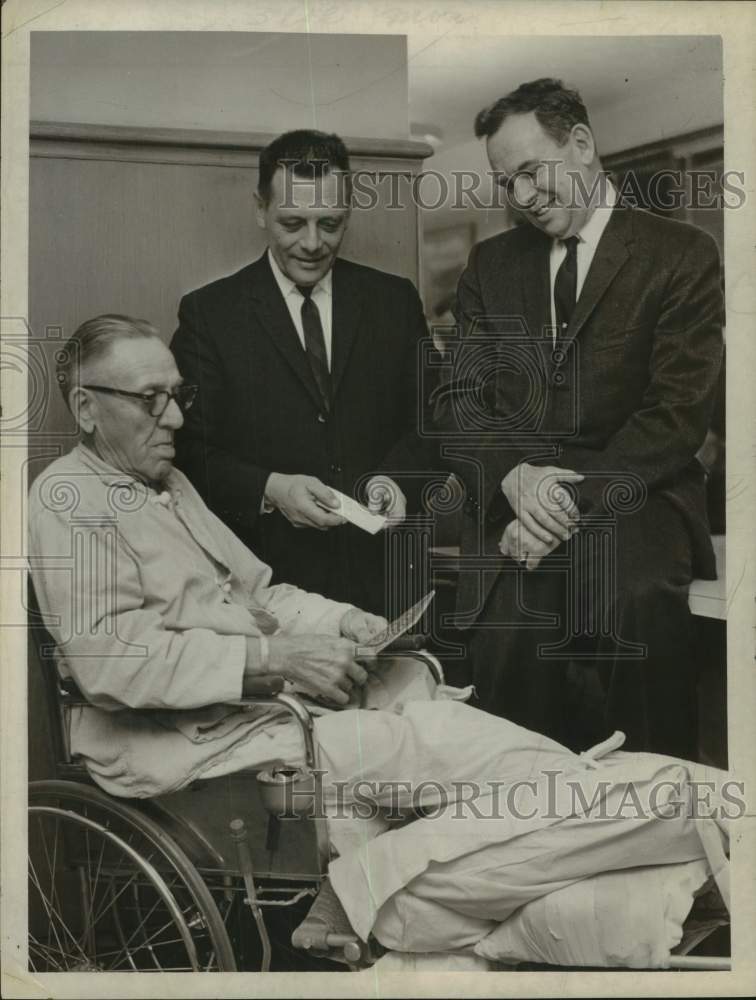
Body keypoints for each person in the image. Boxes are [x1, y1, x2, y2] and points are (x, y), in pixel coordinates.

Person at [29, 315, 728, 962]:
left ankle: (388, 887)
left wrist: (341, 623)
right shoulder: (68, 503)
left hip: (257, 717)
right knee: (445, 748)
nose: (175, 418)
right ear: (85, 407)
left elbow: (261, 595)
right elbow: (109, 662)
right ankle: (686, 811)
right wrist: (274, 659)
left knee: (467, 740)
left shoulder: (168, 483)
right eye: (150, 400)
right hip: (185, 745)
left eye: (177, 396)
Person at [436, 79, 724, 759]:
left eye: (533, 173)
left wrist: (562, 498)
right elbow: (459, 403)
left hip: (638, 500)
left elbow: (675, 415)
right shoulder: (490, 264)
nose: (525, 199)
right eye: (509, 184)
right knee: (505, 637)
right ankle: (526, 839)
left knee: (636, 612)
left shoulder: (680, 254)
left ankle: (659, 823)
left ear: (584, 145)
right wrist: (511, 479)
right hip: (517, 501)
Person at [170, 129, 435, 615]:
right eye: (292, 223)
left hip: (389, 581)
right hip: (270, 589)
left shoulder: (394, 301)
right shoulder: (210, 314)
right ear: (260, 210)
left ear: (348, 214)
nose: (312, 244)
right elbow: (186, 449)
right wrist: (271, 488)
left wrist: (398, 481)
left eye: (329, 224)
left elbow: (433, 421)